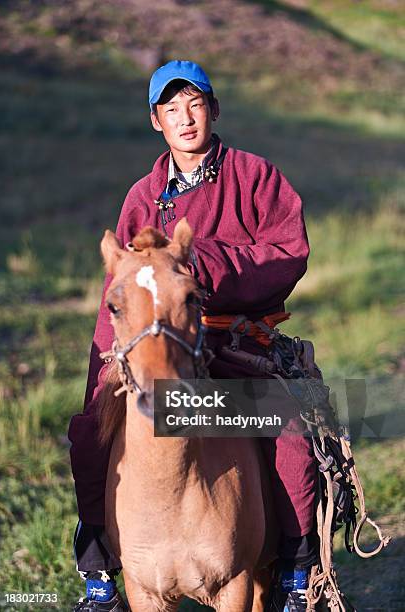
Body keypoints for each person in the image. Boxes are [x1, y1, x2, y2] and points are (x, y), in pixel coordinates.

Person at [68, 60, 319, 612]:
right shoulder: (142, 197)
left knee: (291, 428)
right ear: (156, 121)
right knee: (88, 434)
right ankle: (101, 572)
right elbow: (121, 290)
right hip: (156, 349)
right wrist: (99, 378)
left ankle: (295, 573)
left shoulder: (256, 177)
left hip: (235, 347)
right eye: (172, 109)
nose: (185, 118)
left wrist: (206, 263)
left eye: (195, 105)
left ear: (213, 109)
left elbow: (288, 252)